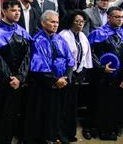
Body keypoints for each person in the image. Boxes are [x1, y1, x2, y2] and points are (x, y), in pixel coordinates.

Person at [0, 0, 32, 144]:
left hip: (18, 83)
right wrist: (10, 78)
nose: (17, 13)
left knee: (12, 116)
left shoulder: (21, 30)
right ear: (4, 11)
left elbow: (27, 56)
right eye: (13, 10)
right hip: (0, 83)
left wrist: (20, 77)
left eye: (18, 10)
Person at [25, 10, 75, 144]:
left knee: (59, 112)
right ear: (43, 22)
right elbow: (39, 65)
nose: (55, 25)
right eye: (52, 22)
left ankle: (56, 135)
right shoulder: (37, 40)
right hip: (44, 85)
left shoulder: (60, 39)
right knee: (44, 113)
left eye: (57, 22)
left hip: (62, 83)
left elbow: (70, 60)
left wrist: (65, 78)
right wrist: (54, 80)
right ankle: (45, 137)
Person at [87, 7, 123, 140]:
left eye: (122, 17)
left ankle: (111, 128)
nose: (120, 20)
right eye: (117, 17)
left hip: (118, 77)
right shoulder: (97, 33)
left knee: (115, 103)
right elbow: (90, 53)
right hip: (100, 76)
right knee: (96, 102)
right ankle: (92, 127)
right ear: (109, 18)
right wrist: (101, 67)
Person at [59, 10, 93, 142]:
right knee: (63, 106)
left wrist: (81, 73)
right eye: (77, 21)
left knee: (72, 107)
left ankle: (70, 133)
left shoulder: (83, 36)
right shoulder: (63, 35)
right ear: (70, 21)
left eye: (82, 21)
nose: (80, 24)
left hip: (78, 76)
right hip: (65, 76)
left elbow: (86, 57)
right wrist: (68, 75)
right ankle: (61, 134)